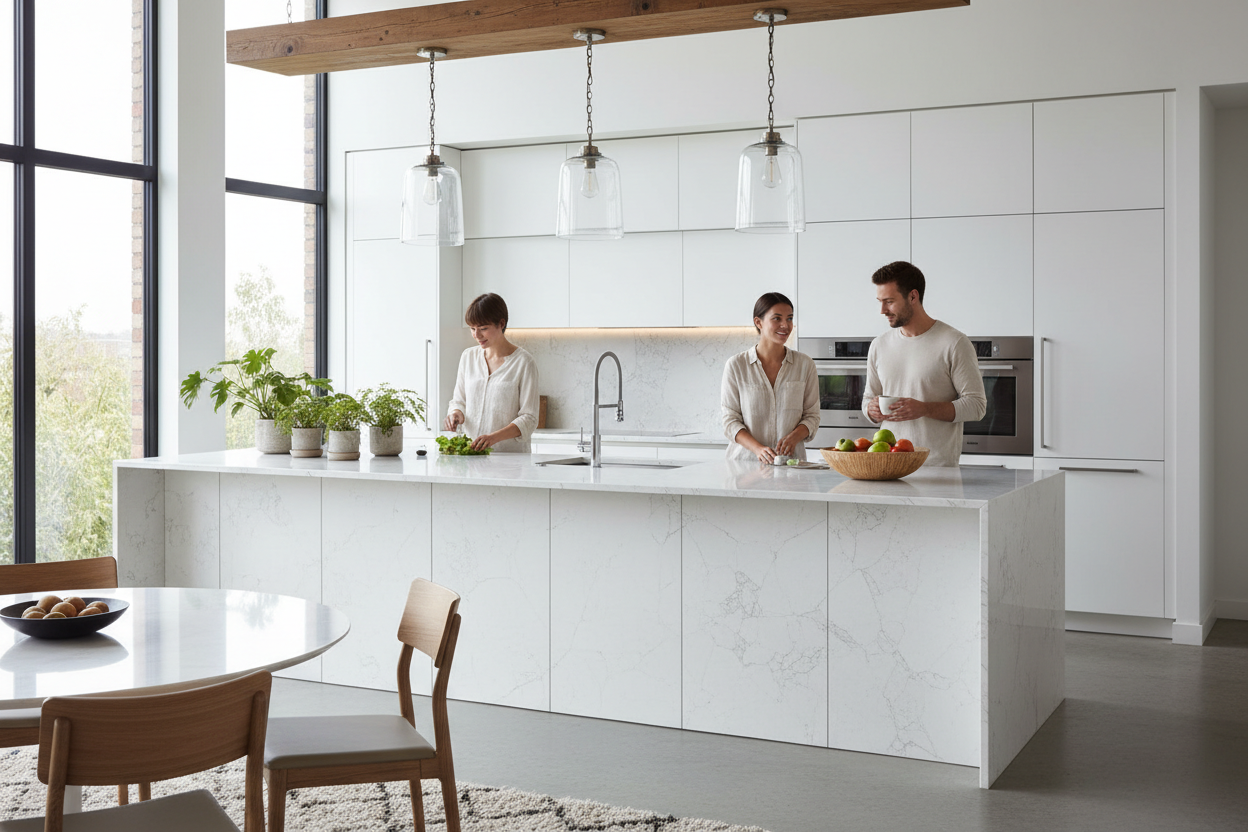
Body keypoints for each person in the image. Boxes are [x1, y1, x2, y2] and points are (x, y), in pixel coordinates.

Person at [862, 261, 986, 467]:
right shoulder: (879, 345)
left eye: (889, 301)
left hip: (937, 469)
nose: (882, 310)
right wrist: (871, 410)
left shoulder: (954, 342)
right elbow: (868, 398)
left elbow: (976, 406)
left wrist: (925, 409)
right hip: (888, 466)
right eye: (880, 301)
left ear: (913, 296)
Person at [721, 292, 821, 464]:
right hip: (745, 466)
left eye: (789, 318)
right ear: (758, 322)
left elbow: (812, 415)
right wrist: (758, 449)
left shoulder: (805, 365)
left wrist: (794, 437)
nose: (785, 325)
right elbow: (730, 420)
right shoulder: (736, 365)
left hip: (791, 465)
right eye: (777, 318)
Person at [444, 293, 540, 452]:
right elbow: (458, 400)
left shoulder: (524, 362)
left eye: (483, 329)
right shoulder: (468, 357)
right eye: (472, 329)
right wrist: (456, 413)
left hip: (510, 461)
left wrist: (493, 438)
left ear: (501, 324)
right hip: (472, 457)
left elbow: (529, 419)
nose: (476, 335)